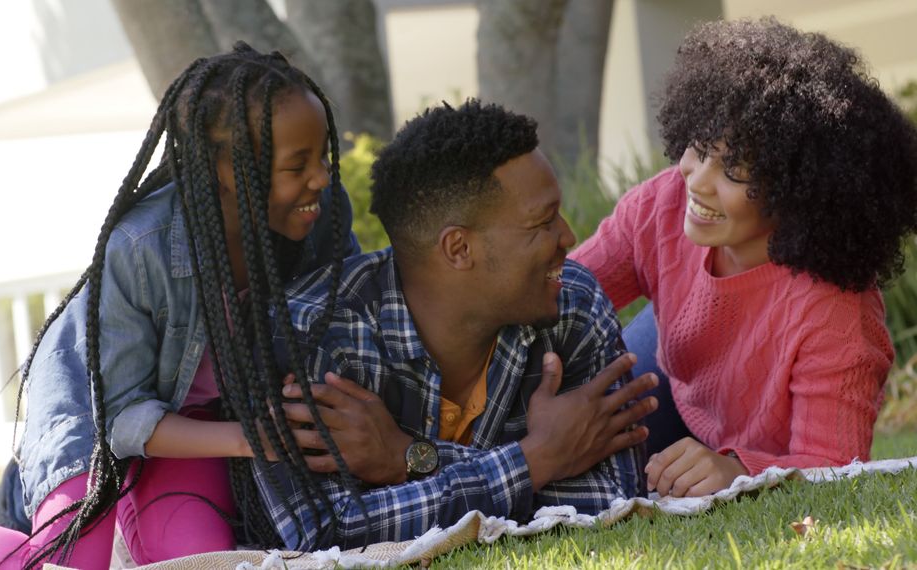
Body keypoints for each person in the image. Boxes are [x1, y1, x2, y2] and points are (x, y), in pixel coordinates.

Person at [0, 43, 362, 569]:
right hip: (97, 415)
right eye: (298, 165)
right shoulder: (142, 246)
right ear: (225, 169)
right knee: (62, 567)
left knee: (201, 565)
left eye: (323, 156)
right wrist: (250, 438)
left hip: (195, 428)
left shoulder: (321, 218)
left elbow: (350, 336)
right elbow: (124, 417)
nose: (321, 176)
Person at [253, 100, 660, 551]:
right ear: (458, 248)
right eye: (543, 222)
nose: (568, 237)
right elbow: (324, 534)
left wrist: (410, 459)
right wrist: (538, 459)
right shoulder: (309, 335)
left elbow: (611, 501)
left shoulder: (573, 304)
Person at [569, 18, 917, 498]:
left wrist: (737, 473)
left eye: (734, 169)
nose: (697, 180)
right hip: (676, 377)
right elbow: (559, 296)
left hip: (750, 446)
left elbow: (834, 470)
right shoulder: (661, 204)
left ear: (800, 191)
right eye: (700, 149)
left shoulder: (837, 313)